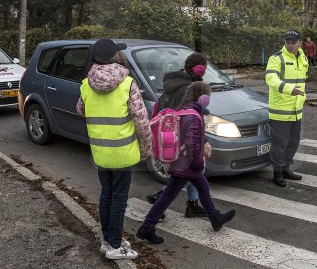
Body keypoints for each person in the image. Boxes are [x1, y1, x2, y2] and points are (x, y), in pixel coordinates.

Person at [75, 38, 152, 260]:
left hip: (100, 152)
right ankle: (116, 247)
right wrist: (146, 147)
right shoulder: (128, 84)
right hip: (123, 153)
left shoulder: (86, 84)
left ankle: (108, 240)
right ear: (116, 57)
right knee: (119, 198)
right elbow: (142, 121)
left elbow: (80, 110)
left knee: (106, 195)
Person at [136, 81, 236, 244]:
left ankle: (215, 218)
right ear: (203, 98)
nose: (209, 100)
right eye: (208, 97)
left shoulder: (186, 111)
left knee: (200, 188)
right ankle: (147, 227)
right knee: (170, 195)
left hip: (180, 162)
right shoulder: (193, 115)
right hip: (187, 164)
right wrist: (197, 164)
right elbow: (192, 144)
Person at [146, 53, 212, 218]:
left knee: (193, 172)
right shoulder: (188, 88)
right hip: (182, 138)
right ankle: (159, 201)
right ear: (199, 69)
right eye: (204, 68)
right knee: (189, 173)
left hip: (171, 135)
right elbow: (191, 117)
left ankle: (192, 204)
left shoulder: (175, 82)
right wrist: (202, 141)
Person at [265, 30, 308, 187]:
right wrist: (289, 89)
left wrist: (302, 98)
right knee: (280, 144)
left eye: (293, 42)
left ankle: (286, 168)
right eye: (287, 42)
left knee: (293, 142)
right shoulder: (276, 58)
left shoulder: (302, 57)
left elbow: (302, 80)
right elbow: (271, 79)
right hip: (280, 110)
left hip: (296, 110)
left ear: (299, 43)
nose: (290, 45)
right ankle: (277, 173)